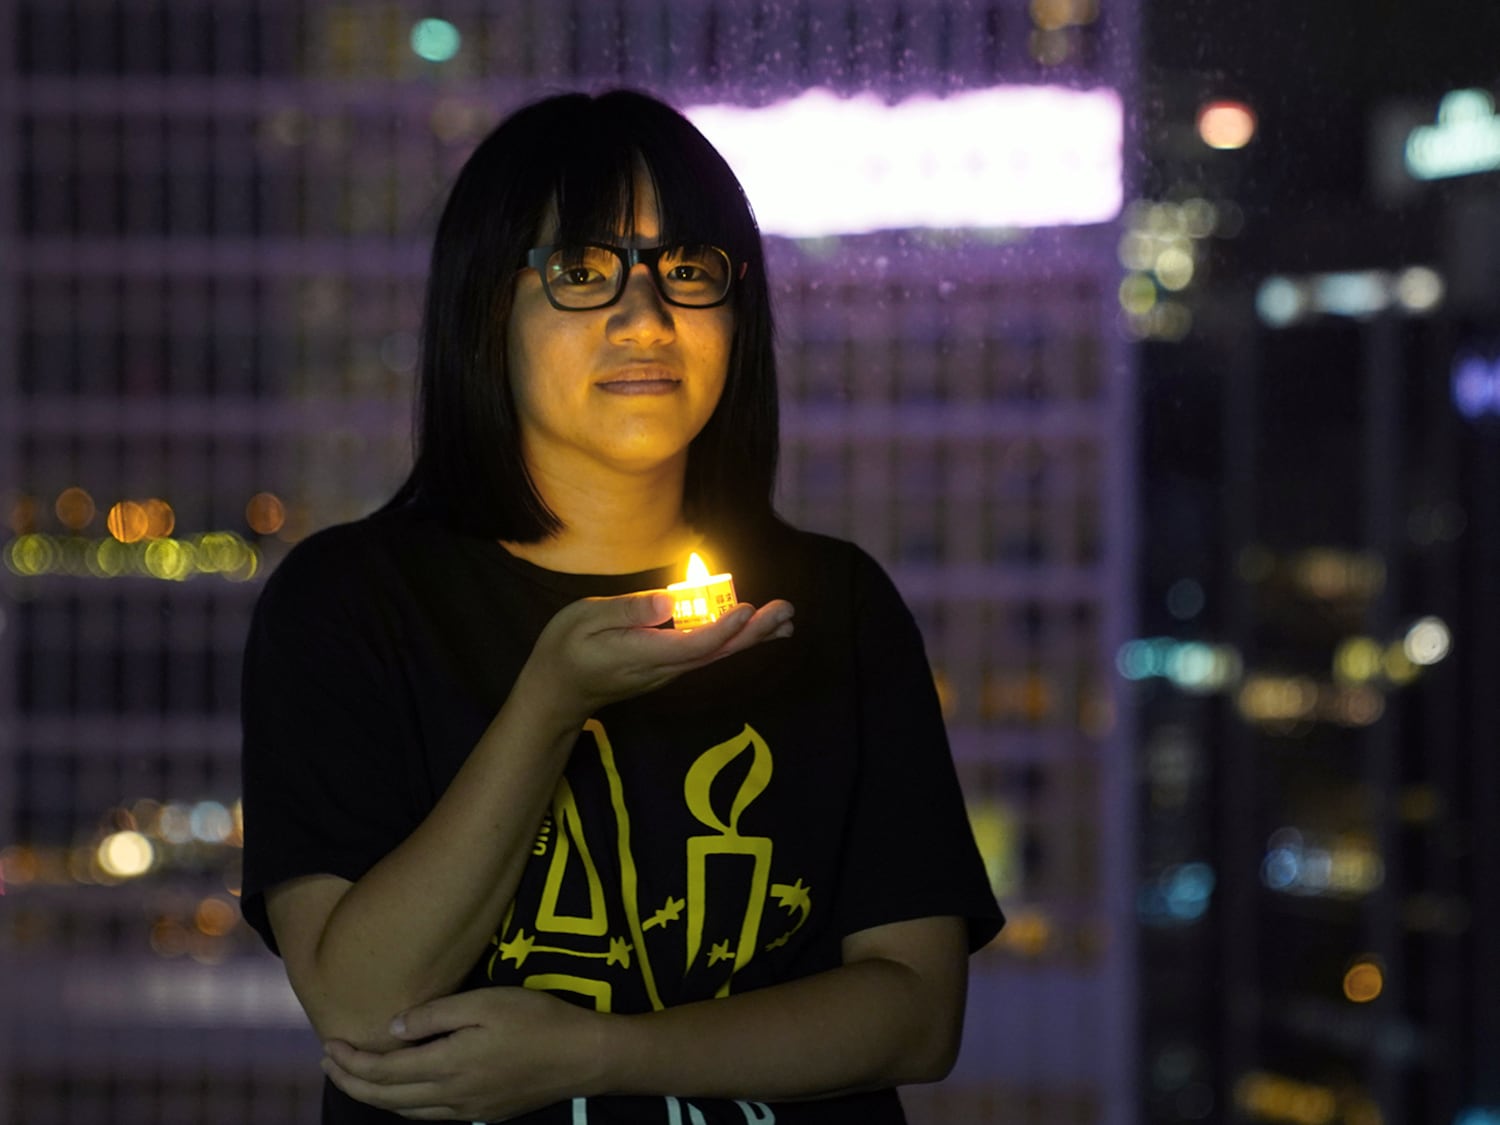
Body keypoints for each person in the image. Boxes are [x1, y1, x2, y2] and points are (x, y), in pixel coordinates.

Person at [239, 89, 1002, 1125]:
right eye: (583, 272)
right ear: (485, 310)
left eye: (687, 272)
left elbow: (918, 1015)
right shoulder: (353, 603)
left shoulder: (836, 605)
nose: (646, 320)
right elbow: (363, 1005)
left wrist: (603, 1054)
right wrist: (550, 700)